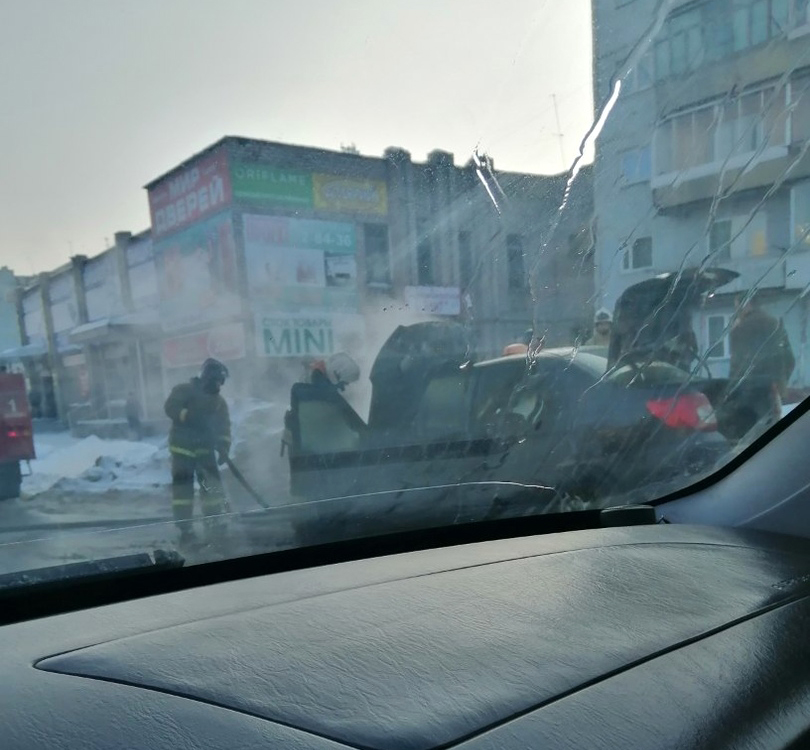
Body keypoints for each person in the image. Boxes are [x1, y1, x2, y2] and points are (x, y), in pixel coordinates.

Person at [164, 358, 232, 545]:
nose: (217, 386)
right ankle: (185, 529)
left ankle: (213, 522)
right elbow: (170, 406)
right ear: (207, 378)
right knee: (183, 492)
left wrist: (224, 447)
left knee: (211, 487)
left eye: (220, 382)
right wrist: (187, 415)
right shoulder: (184, 390)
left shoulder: (219, 402)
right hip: (182, 449)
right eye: (215, 381)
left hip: (205, 450)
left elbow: (224, 426)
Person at [728, 292, 795, 440]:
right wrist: (781, 382)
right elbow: (790, 359)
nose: (736, 311)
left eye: (737, 307)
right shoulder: (774, 323)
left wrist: (730, 390)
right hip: (774, 390)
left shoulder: (740, 329)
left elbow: (737, 365)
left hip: (749, 392)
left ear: (746, 304)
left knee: (750, 438)